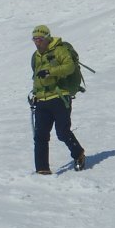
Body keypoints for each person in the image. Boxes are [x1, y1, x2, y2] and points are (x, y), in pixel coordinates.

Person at [30, 25, 87, 174]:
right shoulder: (36, 56)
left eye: (39, 39)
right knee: (40, 136)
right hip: (42, 100)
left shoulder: (59, 50)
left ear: (47, 38)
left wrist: (50, 72)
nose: (37, 42)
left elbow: (69, 67)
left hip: (60, 97)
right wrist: (35, 94)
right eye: (34, 39)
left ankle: (78, 153)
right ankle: (42, 170)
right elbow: (36, 77)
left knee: (62, 132)